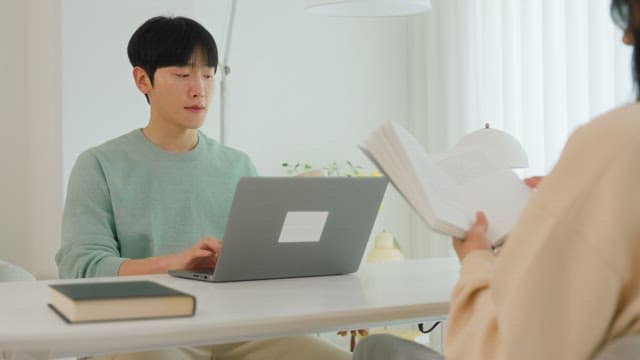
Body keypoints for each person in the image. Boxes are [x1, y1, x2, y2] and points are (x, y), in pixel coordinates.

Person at [354, 0, 640, 359]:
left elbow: (506, 349)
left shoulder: (615, 144)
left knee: (379, 348)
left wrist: (477, 259)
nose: (626, 38)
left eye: (626, 16)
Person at [56, 16, 349, 360]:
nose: (200, 89)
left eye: (209, 75)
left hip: (233, 329)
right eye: (182, 75)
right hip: (137, 333)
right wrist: (176, 262)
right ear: (142, 80)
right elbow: (82, 268)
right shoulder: (99, 165)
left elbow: (257, 270)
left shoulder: (237, 165)